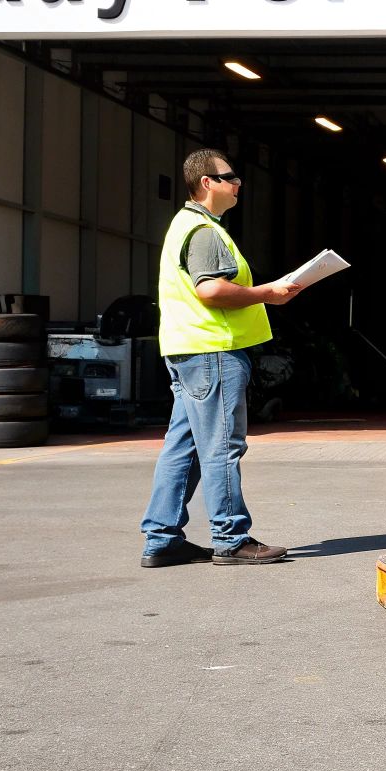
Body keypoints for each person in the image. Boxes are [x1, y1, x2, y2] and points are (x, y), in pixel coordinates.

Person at [140, 149, 301, 567]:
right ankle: (231, 538)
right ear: (207, 183)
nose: (238, 183)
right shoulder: (205, 232)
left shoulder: (185, 225)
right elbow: (209, 290)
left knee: (184, 447)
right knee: (222, 446)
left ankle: (161, 538)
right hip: (212, 351)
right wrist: (269, 293)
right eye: (230, 177)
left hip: (187, 349)